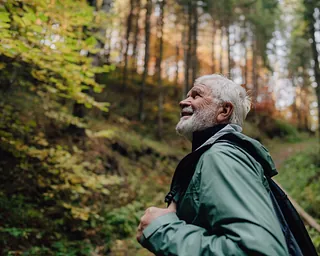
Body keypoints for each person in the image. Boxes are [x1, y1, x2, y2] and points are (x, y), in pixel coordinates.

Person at [136, 74, 289, 255]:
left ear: (224, 111)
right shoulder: (216, 154)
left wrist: (162, 230)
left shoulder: (222, 156)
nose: (183, 101)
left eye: (196, 95)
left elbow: (256, 251)